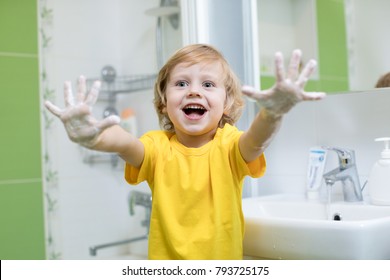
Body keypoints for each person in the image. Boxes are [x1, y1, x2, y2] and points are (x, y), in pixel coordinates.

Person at [44, 44, 325, 260]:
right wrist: (95, 138)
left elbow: (255, 142)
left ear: (226, 103)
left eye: (208, 84)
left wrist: (272, 114)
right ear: (164, 102)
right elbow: (125, 142)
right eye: (181, 83)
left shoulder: (228, 145)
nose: (193, 91)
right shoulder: (157, 147)